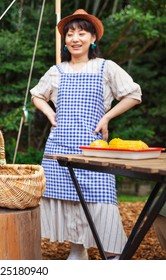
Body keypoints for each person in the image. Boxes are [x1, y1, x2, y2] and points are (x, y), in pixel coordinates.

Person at [30, 9, 142, 260]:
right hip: (60, 146)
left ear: (93, 39)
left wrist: (107, 117)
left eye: (82, 33)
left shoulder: (105, 67)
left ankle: (112, 254)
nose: (75, 38)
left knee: (101, 197)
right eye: (70, 34)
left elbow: (134, 94)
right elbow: (37, 94)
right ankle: (78, 251)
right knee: (68, 199)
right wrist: (50, 113)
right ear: (65, 41)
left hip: (94, 148)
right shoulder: (56, 71)